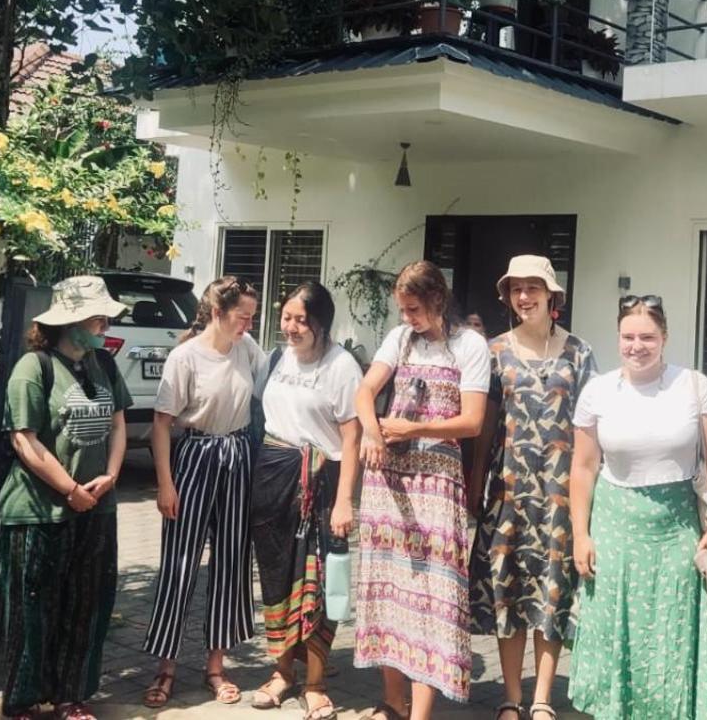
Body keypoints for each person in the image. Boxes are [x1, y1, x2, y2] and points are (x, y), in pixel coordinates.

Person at [568, 295, 707, 720]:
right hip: (613, 532)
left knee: (671, 634)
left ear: (665, 338)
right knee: (615, 633)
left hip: (675, 533)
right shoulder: (598, 391)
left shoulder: (694, 386)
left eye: (647, 337)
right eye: (628, 337)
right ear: (617, 337)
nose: (636, 346)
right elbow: (583, 467)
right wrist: (581, 535)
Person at [354, 260, 490, 720]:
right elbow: (365, 391)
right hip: (389, 480)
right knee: (389, 588)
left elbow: (472, 422)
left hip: (436, 483)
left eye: (414, 309)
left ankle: (421, 712)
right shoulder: (399, 339)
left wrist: (414, 428)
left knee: (431, 593)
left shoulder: (469, 346)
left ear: (437, 300)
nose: (407, 317)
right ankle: (393, 701)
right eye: (402, 309)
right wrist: (372, 432)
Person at [0, 275, 131, 720]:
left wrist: (111, 476)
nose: (105, 324)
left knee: (88, 603)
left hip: (97, 507)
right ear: (70, 321)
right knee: (33, 607)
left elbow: (118, 423)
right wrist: (70, 490)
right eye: (97, 317)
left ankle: (73, 696)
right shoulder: (33, 368)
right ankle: (22, 700)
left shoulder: (103, 364)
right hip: (39, 512)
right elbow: (24, 439)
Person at [468, 256, 597, 720]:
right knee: (509, 591)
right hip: (508, 495)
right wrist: (475, 484)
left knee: (552, 591)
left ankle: (541, 698)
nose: (524, 297)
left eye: (533, 288)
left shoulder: (579, 353)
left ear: (551, 295)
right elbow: (484, 427)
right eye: (516, 289)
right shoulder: (494, 351)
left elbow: (590, 430)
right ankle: (511, 696)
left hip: (560, 496)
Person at [141, 277, 265, 708]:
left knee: (231, 562)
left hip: (238, 456)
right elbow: (161, 424)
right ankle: (166, 667)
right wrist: (165, 483)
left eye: (252, 317)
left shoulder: (248, 349)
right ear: (217, 312)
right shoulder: (185, 357)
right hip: (194, 456)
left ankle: (216, 666)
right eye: (242, 316)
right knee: (180, 563)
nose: (248, 324)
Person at [249, 281, 365, 718]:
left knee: (324, 582)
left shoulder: (341, 366)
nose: (292, 327)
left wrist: (345, 501)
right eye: (287, 317)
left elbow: (352, 437)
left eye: (302, 320)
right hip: (273, 476)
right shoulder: (275, 359)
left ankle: (316, 682)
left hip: (324, 482)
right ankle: (282, 672)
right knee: (276, 575)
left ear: (321, 323)